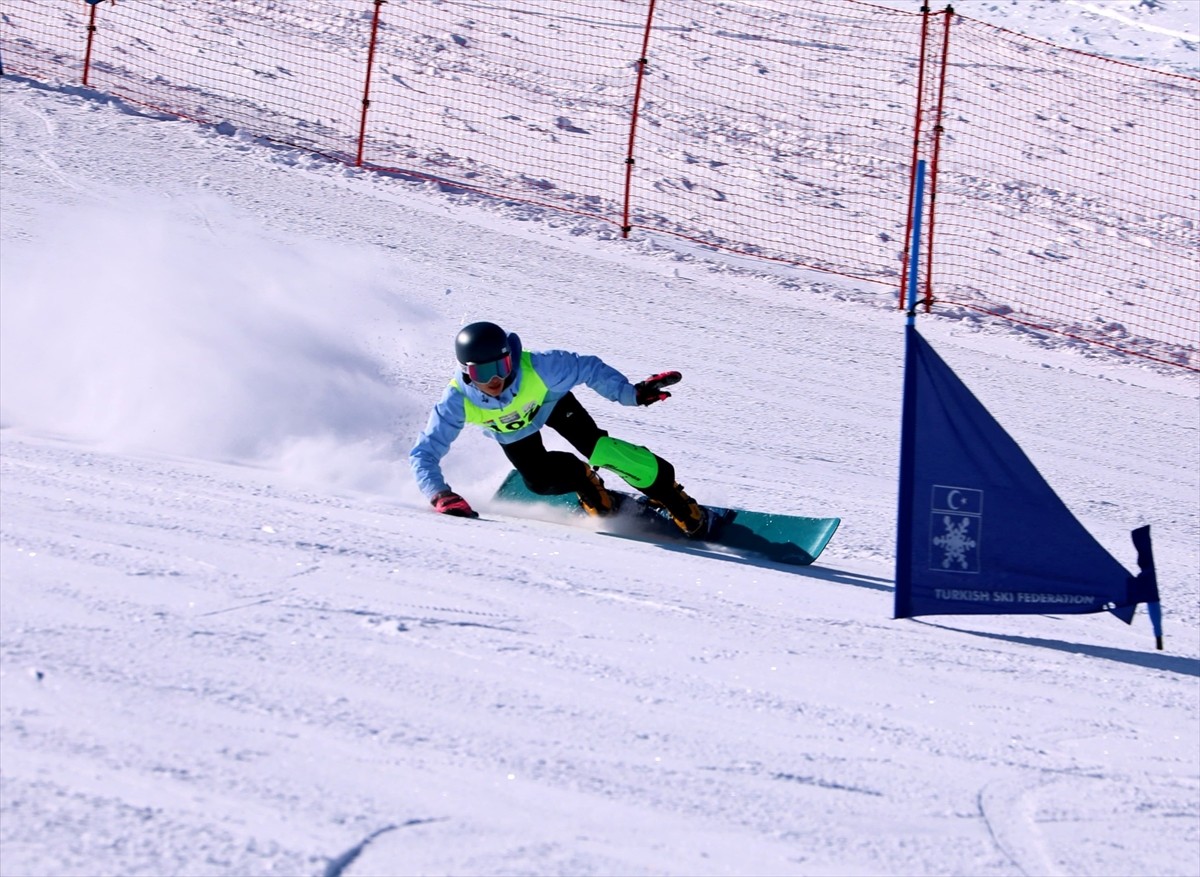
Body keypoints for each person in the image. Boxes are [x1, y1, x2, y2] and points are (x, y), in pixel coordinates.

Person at [409, 321, 710, 536]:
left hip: (552, 404)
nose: (495, 379)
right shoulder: (457, 401)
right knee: (539, 482)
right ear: (466, 372)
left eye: (501, 366)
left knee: (601, 449)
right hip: (515, 432)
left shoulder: (539, 368)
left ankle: (671, 496)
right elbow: (425, 451)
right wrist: (439, 494)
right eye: (482, 372)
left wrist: (631, 394)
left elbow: (587, 367)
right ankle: (584, 481)